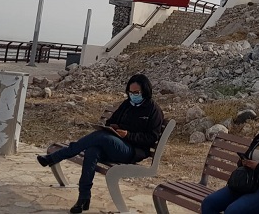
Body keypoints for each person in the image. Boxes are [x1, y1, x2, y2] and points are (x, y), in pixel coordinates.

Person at [36, 74, 163, 214]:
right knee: (92, 151)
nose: (132, 95)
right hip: (115, 144)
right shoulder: (127, 104)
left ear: (145, 91)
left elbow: (151, 137)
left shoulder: (153, 110)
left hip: (132, 150)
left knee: (102, 137)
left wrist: (128, 135)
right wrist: (113, 127)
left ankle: (55, 157)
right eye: (130, 92)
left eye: (136, 93)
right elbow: (111, 121)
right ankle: (83, 197)